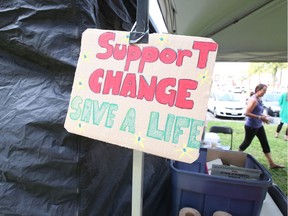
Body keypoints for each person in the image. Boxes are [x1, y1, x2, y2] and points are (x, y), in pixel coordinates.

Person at [239, 84, 284, 169]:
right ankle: (233, 156)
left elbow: (257, 112)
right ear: (258, 90)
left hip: (258, 126)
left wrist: (264, 116)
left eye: (265, 91)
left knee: (265, 143)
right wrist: (260, 117)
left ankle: (271, 164)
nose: (265, 92)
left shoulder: (259, 99)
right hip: (251, 126)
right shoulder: (253, 100)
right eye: (264, 90)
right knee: (246, 143)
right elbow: (247, 113)